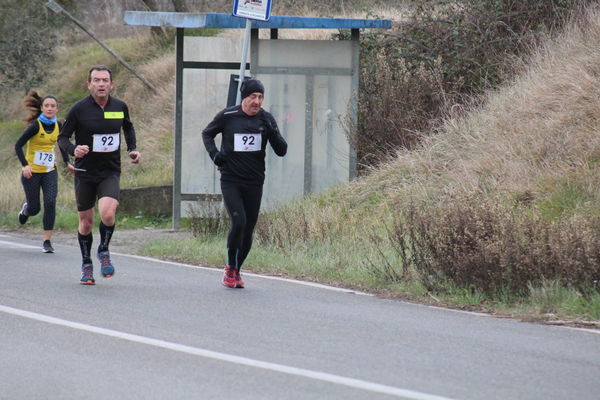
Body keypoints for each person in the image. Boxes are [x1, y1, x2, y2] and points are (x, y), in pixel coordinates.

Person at [58, 65, 141, 285]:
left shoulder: (120, 106)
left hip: (110, 170)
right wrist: (73, 150)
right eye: (96, 80)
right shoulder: (79, 109)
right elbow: (62, 138)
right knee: (85, 222)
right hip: (85, 172)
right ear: (89, 84)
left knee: (108, 213)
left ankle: (103, 250)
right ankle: (86, 263)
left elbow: (128, 128)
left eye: (105, 80)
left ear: (111, 84)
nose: (101, 84)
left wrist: (132, 148)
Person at [202, 78, 287, 288]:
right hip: (231, 179)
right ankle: (229, 269)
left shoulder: (266, 119)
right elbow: (207, 133)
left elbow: (282, 150)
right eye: (252, 97)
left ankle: (238, 270)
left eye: (260, 97)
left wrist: (273, 130)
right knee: (238, 222)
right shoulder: (228, 116)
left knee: (248, 228)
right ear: (244, 97)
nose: (256, 101)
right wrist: (214, 154)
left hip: (255, 181)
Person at [15, 90, 73, 253]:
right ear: (41, 108)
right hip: (32, 172)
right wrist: (25, 165)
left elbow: (61, 144)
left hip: (49, 171)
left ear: (57, 109)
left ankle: (47, 241)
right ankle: (26, 209)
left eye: (52, 106)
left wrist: (67, 162)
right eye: (46, 105)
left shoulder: (59, 125)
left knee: (50, 202)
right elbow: (18, 145)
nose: (49, 108)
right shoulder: (35, 127)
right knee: (35, 209)